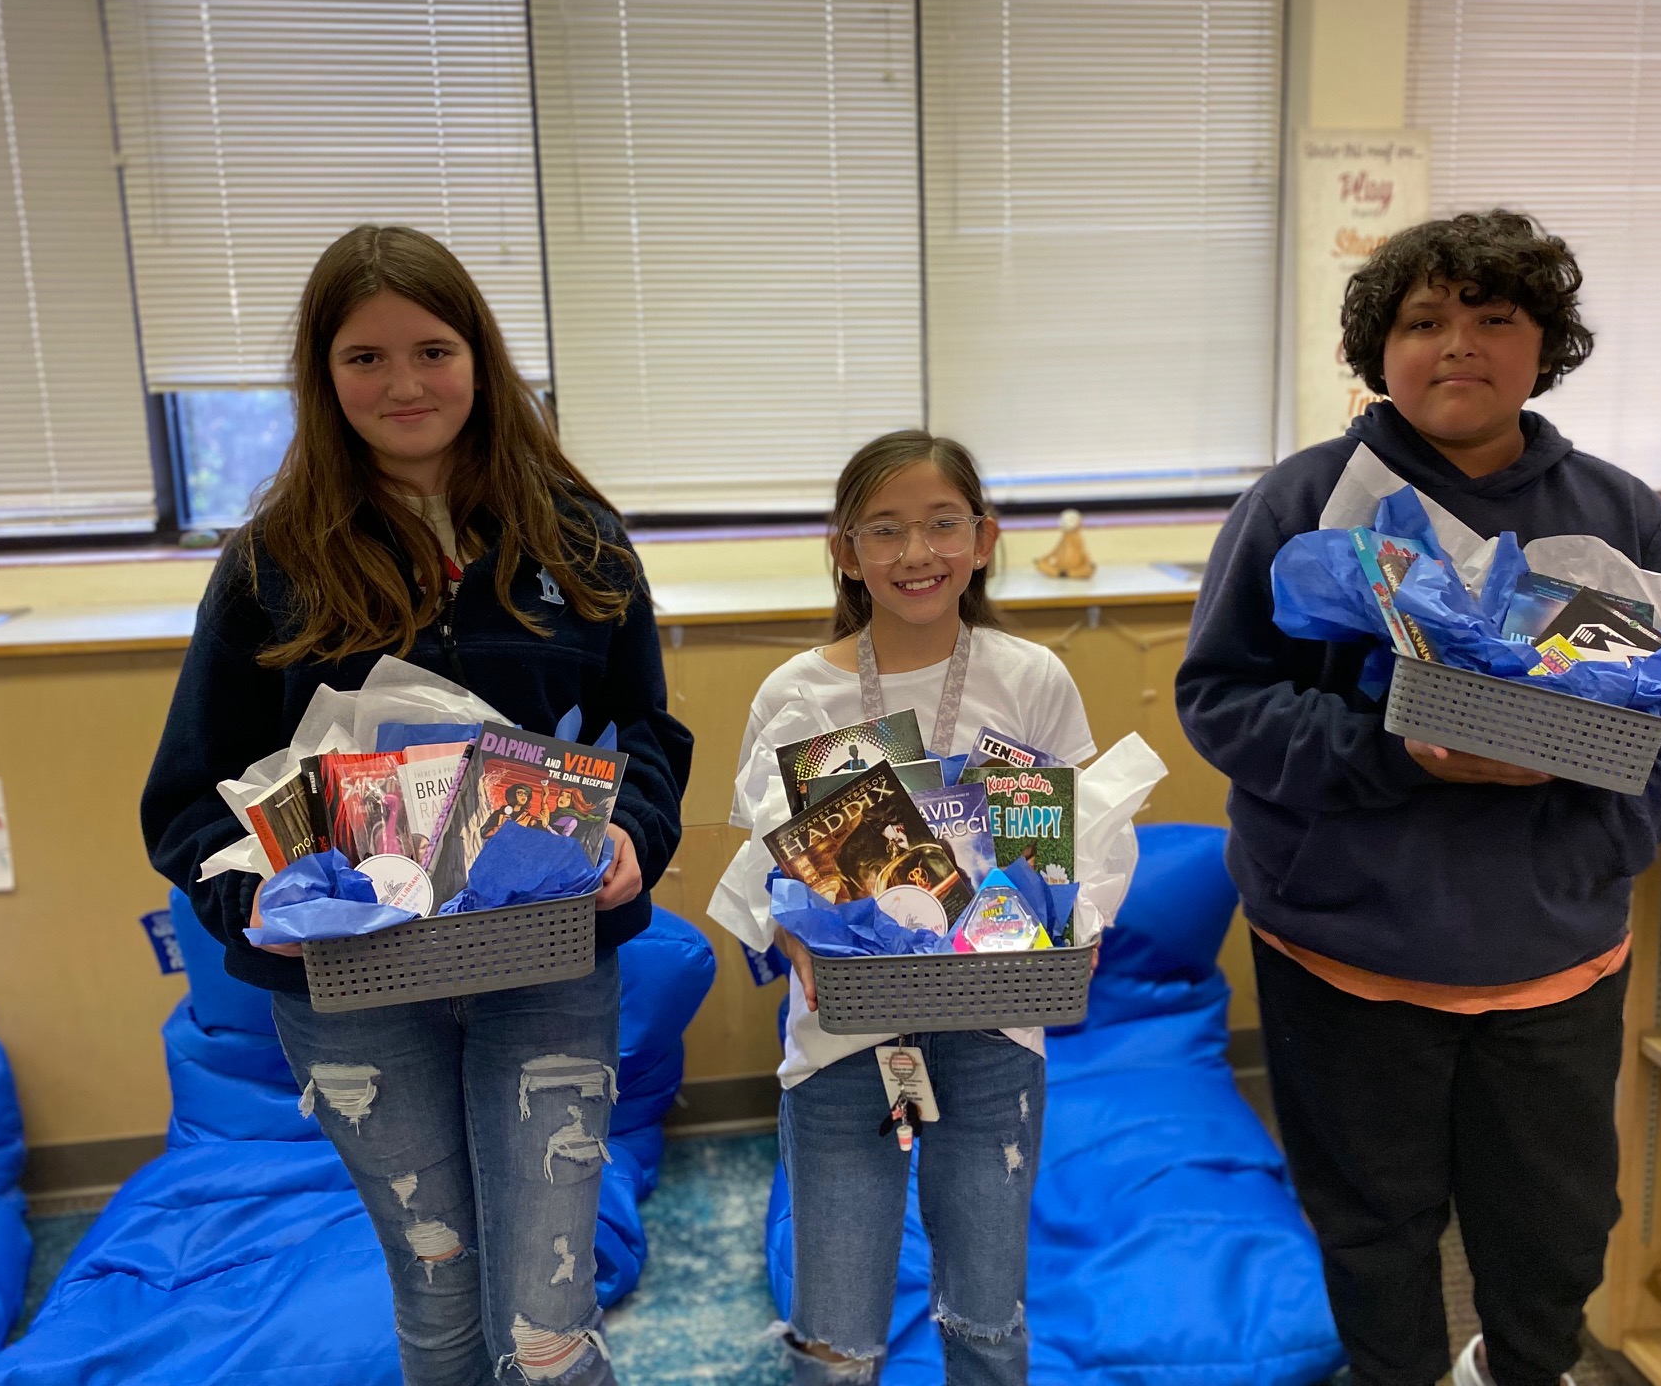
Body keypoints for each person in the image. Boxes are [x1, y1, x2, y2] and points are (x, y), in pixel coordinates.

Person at [1175, 211, 1661, 1386]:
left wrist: (1593, 837)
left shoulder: (1621, 517)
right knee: (1373, 1234)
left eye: (1493, 318)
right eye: (1424, 321)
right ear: (1380, 351)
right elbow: (1220, 702)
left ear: (1547, 347)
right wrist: (1395, 749)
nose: (1458, 343)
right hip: (1343, 954)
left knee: (1552, 1233)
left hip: (1554, 957)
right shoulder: (1305, 503)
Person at [141, 225, 692, 1386]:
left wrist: (636, 835)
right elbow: (189, 798)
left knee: (547, 1317)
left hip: (546, 968)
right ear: (322, 374)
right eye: (365, 358)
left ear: (480, 359)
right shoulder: (268, 566)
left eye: (433, 350)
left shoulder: (579, 541)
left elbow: (646, 730)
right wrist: (262, 893)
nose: (404, 385)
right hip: (355, 1000)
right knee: (438, 1297)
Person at [713, 431, 1095, 1384]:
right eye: (884, 531)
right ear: (845, 551)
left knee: (988, 1315)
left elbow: (1081, 840)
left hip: (995, 1027)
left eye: (941, 525)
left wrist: (1080, 933)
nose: (916, 554)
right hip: (844, 1035)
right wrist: (794, 947)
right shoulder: (795, 693)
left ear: (984, 538)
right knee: (834, 1332)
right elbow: (766, 866)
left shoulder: (1031, 676)